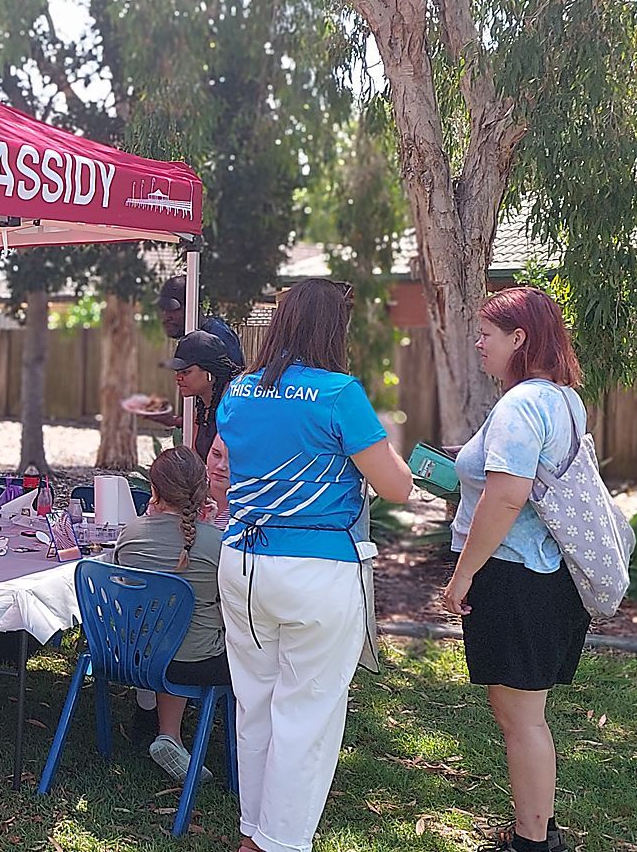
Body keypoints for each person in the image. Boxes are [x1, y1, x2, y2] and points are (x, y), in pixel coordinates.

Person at [214, 276, 413, 852]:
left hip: (242, 560)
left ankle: (254, 832)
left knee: (255, 702)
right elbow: (397, 487)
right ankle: (279, 841)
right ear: (335, 329)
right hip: (316, 568)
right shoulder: (338, 392)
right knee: (308, 712)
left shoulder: (239, 389)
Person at [443, 287, 590, 852]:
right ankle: (537, 828)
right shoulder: (563, 399)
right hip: (546, 577)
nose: (479, 343)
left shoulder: (520, 405)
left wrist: (462, 575)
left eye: (487, 334)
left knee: (521, 718)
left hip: (514, 576)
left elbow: (507, 497)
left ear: (519, 338)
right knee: (525, 715)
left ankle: (533, 841)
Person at [112, 447, 229, 784]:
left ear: (154, 490)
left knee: (167, 629)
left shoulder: (130, 534)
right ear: (203, 490)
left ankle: (169, 735)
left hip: (135, 657)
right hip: (197, 661)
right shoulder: (217, 544)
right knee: (202, 637)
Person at [147, 330, 243, 459]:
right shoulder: (202, 408)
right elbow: (195, 458)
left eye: (185, 372)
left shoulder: (232, 407)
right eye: (177, 372)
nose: (178, 378)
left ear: (209, 372)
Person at [158, 274, 244, 367]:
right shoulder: (190, 339)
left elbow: (236, 374)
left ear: (192, 306)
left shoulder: (218, 335)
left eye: (172, 309)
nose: (166, 317)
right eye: (163, 309)